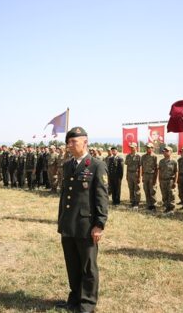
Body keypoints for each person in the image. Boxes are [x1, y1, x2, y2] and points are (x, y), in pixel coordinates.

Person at [56, 126, 108, 313]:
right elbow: (65, 196)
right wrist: (61, 220)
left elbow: (101, 197)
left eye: (73, 142)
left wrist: (99, 224)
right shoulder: (67, 165)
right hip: (69, 224)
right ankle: (75, 298)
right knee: (72, 265)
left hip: (86, 226)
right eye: (68, 142)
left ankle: (87, 304)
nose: (69, 145)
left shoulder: (96, 165)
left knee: (88, 267)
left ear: (85, 142)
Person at [158, 146, 178, 214]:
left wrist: (175, 182)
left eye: (167, 151)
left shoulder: (174, 161)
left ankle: (171, 209)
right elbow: (159, 171)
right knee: (164, 195)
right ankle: (167, 208)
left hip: (170, 181)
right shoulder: (161, 161)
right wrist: (159, 180)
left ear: (171, 152)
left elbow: (176, 172)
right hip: (163, 180)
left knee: (171, 195)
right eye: (164, 151)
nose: (165, 152)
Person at [141, 143, 158, 211]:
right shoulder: (143, 157)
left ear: (152, 148)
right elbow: (142, 167)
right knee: (146, 190)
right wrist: (142, 176)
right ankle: (148, 204)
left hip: (152, 175)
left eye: (149, 147)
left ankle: (153, 205)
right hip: (145, 175)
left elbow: (156, 168)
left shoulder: (155, 156)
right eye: (147, 147)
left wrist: (155, 178)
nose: (148, 149)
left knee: (152, 191)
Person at [125, 143, 142, 209]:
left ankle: (137, 202)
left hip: (136, 174)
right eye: (131, 147)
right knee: (131, 188)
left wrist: (139, 176)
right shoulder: (128, 156)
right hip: (129, 173)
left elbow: (140, 167)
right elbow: (127, 166)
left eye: (133, 147)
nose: (131, 148)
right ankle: (132, 201)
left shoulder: (139, 156)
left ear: (136, 147)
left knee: (137, 188)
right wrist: (126, 175)